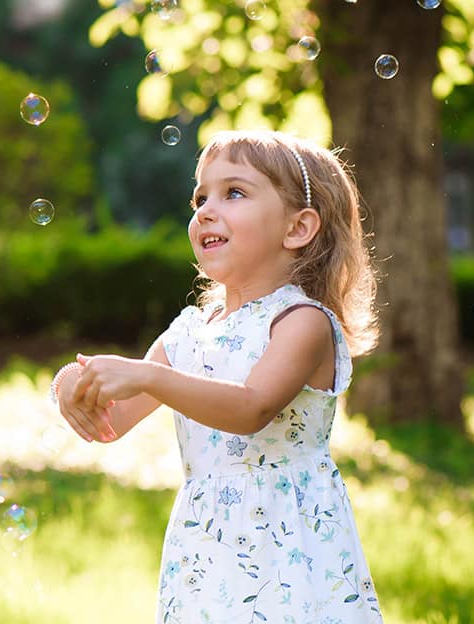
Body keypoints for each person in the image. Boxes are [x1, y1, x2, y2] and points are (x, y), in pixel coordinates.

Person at [50, 129, 384, 623]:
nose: (206, 210)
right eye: (200, 196)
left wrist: (149, 377)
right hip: (208, 547)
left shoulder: (302, 322)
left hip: (287, 547)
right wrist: (70, 387)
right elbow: (113, 420)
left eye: (234, 193)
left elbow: (252, 407)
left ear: (298, 228)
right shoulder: (189, 333)